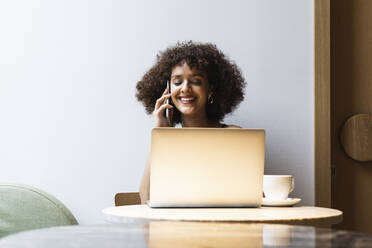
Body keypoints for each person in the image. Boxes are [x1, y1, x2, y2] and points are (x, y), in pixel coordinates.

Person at [135, 41, 246, 203]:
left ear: (211, 89)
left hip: (224, 224)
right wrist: (159, 135)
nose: (185, 89)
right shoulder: (166, 142)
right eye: (177, 82)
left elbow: (253, 196)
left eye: (196, 81)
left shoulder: (234, 136)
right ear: (167, 90)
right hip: (177, 226)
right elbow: (146, 199)